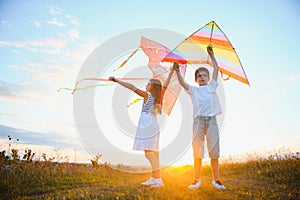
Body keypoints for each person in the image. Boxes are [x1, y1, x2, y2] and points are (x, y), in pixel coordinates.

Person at [109, 68, 175, 188]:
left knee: (149, 153)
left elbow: (132, 87)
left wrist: (117, 80)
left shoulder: (148, 96)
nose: (147, 84)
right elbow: (165, 84)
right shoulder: (159, 96)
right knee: (153, 153)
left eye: (149, 83)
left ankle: (158, 180)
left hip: (147, 125)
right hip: (153, 125)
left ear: (153, 87)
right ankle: (154, 178)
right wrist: (171, 72)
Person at [173, 45, 226, 190]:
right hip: (198, 122)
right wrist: (177, 71)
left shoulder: (212, 86)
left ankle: (216, 180)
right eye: (199, 76)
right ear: (196, 80)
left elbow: (216, 69)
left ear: (209, 79)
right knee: (197, 152)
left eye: (204, 75)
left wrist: (212, 55)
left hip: (212, 121)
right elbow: (183, 84)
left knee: (214, 152)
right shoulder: (194, 90)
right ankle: (196, 180)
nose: (202, 77)